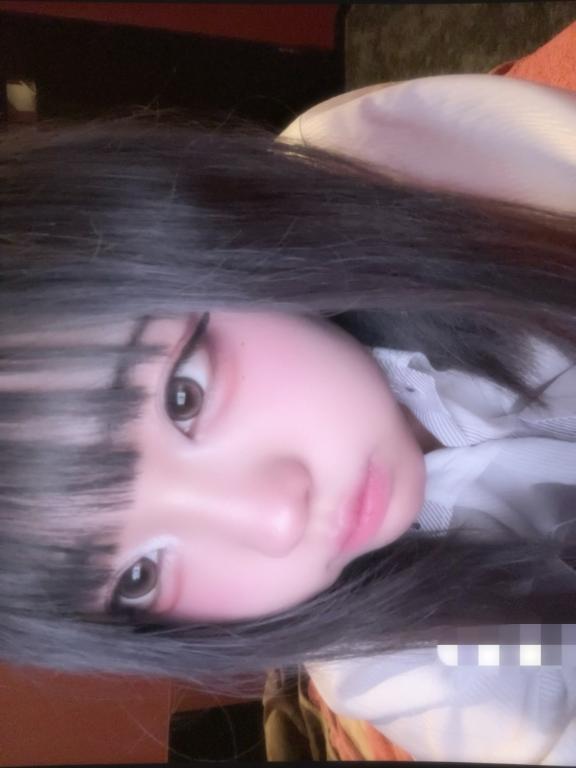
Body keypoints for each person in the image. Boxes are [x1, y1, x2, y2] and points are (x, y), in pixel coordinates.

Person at [1, 59, 576, 764]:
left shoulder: (398, 168)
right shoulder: (410, 649)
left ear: (194, 237)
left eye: (184, 397)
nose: (276, 519)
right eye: (140, 575)